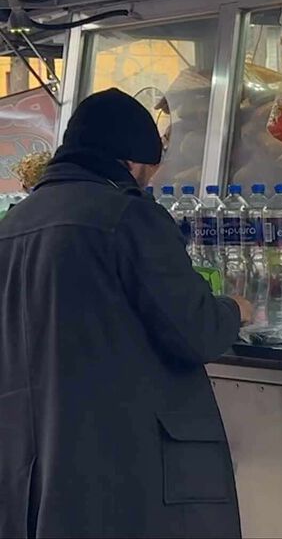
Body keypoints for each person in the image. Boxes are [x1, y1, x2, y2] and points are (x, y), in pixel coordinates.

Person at [0, 88, 253, 537]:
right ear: (131, 163)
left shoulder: (12, 227)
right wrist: (235, 310)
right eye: (149, 174)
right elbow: (195, 330)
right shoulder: (127, 218)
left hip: (33, 477)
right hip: (126, 474)